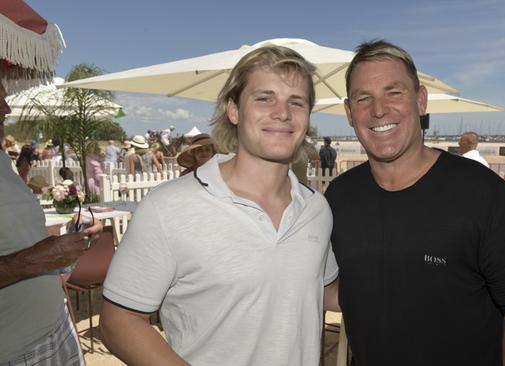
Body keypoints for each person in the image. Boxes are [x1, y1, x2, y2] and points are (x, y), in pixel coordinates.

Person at [100, 45, 339, 366]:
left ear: (307, 118)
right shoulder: (168, 207)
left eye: (296, 102)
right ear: (234, 110)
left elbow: (324, 289)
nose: (282, 112)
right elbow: (119, 323)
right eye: (264, 98)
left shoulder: (316, 209)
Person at [324, 40, 505, 366]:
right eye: (363, 98)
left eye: (394, 92)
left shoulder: (483, 194)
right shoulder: (339, 197)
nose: (378, 109)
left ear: (421, 100)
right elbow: (348, 289)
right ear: (348, 112)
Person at [1, 71, 103, 366]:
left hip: (55, 329)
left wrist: (70, 239)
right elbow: (26, 257)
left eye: (4, 97)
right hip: (14, 350)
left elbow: (19, 237)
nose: (6, 108)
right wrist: (33, 260)